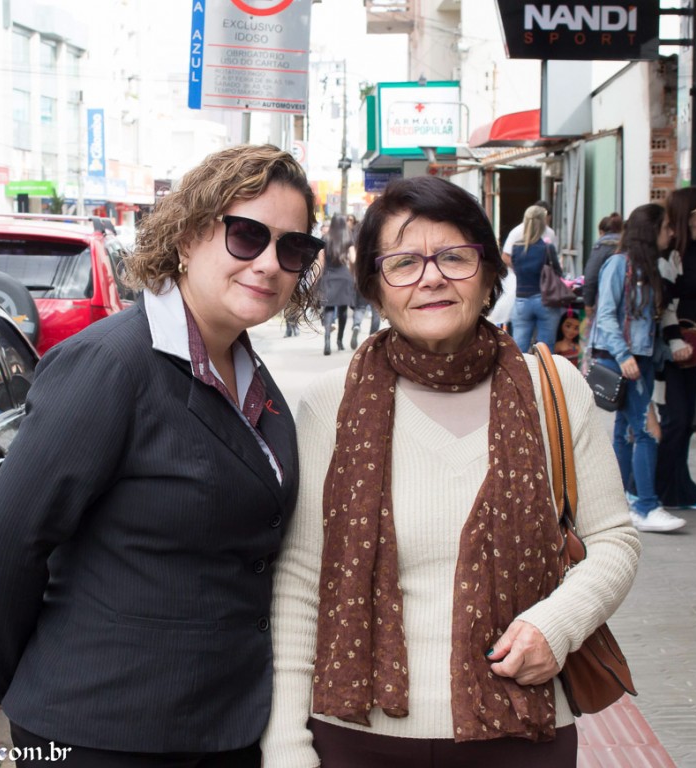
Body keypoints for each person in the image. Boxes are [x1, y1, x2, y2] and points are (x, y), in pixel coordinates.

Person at [0, 145, 324, 767]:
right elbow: (4, 538)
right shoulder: (109, 364)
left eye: (293, 248)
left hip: (220, 723)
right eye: (246, 235)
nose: (268, 263)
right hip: (107, 729)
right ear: (187, 236)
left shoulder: (248, 373)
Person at [260, 175, 640, 768]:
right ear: (375, 290)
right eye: (403, 263)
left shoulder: (553, 390)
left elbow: (614, 540)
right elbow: (301, 581)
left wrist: (557, 626)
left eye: (454, 257)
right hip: (356, 734)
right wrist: (286, 745)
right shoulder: (331, 403)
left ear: (489, 276)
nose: (431, 277)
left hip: (522, 729)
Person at [589, 203, 685, 533]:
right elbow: (605, 315)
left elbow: (649, 324)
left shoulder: (649, 267)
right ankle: (646, 505)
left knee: (626, 431)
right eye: (666, 226)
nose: (671, 232)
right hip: (623, 360)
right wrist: (623, 355)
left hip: (637, 359)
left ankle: (623, 503)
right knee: (646, 431)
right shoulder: (620, 264)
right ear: (651, 230)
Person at [653, 186, 696, 512]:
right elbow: (666, 305)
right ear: (689, 214)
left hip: (692, 346)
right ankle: (659, 489)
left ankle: (679, 488)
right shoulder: (672, 253)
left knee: (685, 419)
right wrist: (675, 341)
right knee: (675, 419)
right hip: (672, 348)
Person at [490, 200, 556, 330]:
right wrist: (522, 271)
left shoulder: (550, 233)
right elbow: (505, 256)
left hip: (540, 288)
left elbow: (552, 260)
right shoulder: (517, 232)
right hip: (519, 283)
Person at [509, 204, 565, 352]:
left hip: (521, 300)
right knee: (545, 349)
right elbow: (558, 273)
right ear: (543, 223)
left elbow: (516, 269)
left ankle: (519, 368)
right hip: (544, 300)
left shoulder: (516, 248)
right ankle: (542, 368)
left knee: (519, 349)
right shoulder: (547, 248)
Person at [318, 214, 357, 355]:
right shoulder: (347, 238)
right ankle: (340, 342)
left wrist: (320, 278)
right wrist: (352, 274)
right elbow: (353, 259)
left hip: (328, 276)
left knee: (328, 309)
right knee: (343, 310)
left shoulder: (325, 238)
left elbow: (321, 261)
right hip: (344, 277)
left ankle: (327, 340)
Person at [581, 212, 624, 313]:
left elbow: (591, 276)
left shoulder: (601, 248)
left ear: (601, 232)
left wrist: (588, 303)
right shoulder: (629, 246)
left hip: (606, 300)